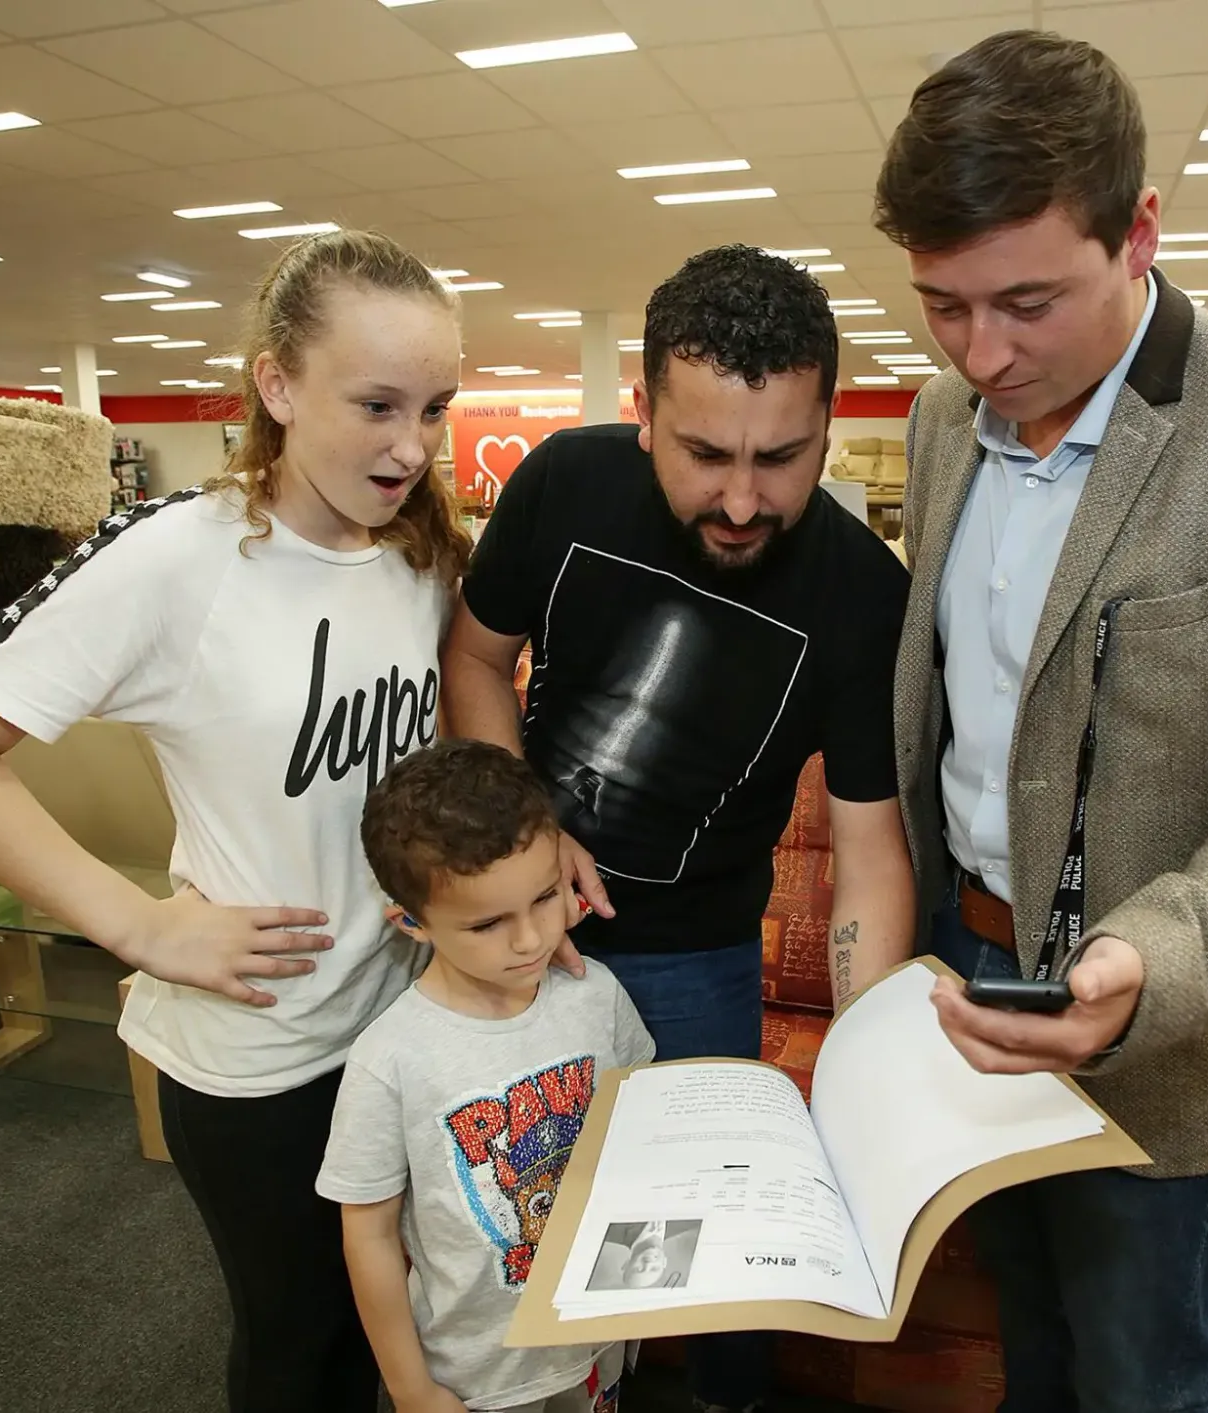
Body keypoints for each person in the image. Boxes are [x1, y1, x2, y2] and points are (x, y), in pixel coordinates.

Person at [872, 31, 1208, 1413]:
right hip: (969, 976)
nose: (982, 353)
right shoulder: (939, 420)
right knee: (1029, 1345)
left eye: (1027, 302)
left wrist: (1149, 956)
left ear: (1139, 233)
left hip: (1171, 1023)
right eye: (942, 305)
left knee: (1138, 1378)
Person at [0, 229, 473, 1413]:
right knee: (301, 1350)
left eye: (434, 409)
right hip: (261, 1058)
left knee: (394, 1333)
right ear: (277, 385)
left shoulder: (420, 553)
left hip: (400, 1023)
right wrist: (139, 926)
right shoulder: (175, 559)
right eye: (375, 405)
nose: (411, 446)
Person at [440, 244, 917, 1413]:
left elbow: (867, 856)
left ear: (827, 425)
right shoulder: (566, 482)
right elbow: (473, 658)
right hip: (509, 926)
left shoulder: (862, 594)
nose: (743, 502)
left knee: (716, 1243)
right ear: (644, 416)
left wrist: (864, 1065)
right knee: (502, 1219)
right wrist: (526, 831)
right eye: (705, 455)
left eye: (781, 457)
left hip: (697, 955)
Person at [320, 738, 653, 1413]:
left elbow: (639, 1136)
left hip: (595, 1336)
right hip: (480, 1375)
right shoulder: (390, 1059)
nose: (531, 939)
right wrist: (411, 1387)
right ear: (411, 922)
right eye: (488, 923)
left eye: (546, 897)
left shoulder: (597, 994)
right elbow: (370, 1235)